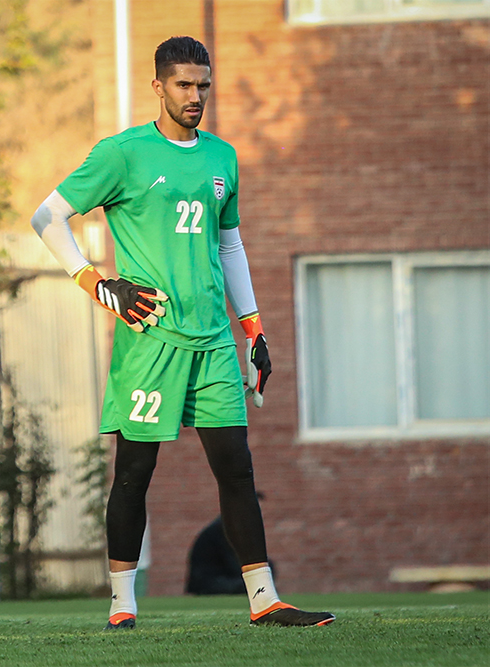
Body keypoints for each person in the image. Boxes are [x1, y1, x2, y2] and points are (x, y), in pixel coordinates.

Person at [30, 36, 334, 629]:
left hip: (214, 341)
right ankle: (122, 605)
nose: (196, 97)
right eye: (184, 85)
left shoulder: (223, 156)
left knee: (237, 468)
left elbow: (230, 242)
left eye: (203, 86)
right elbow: (48, 217)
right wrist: (97, 283)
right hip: (150, 342)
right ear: (159, 87)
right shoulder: (123, 154)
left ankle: (265, 600)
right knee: (134, 473)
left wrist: (254, 329)